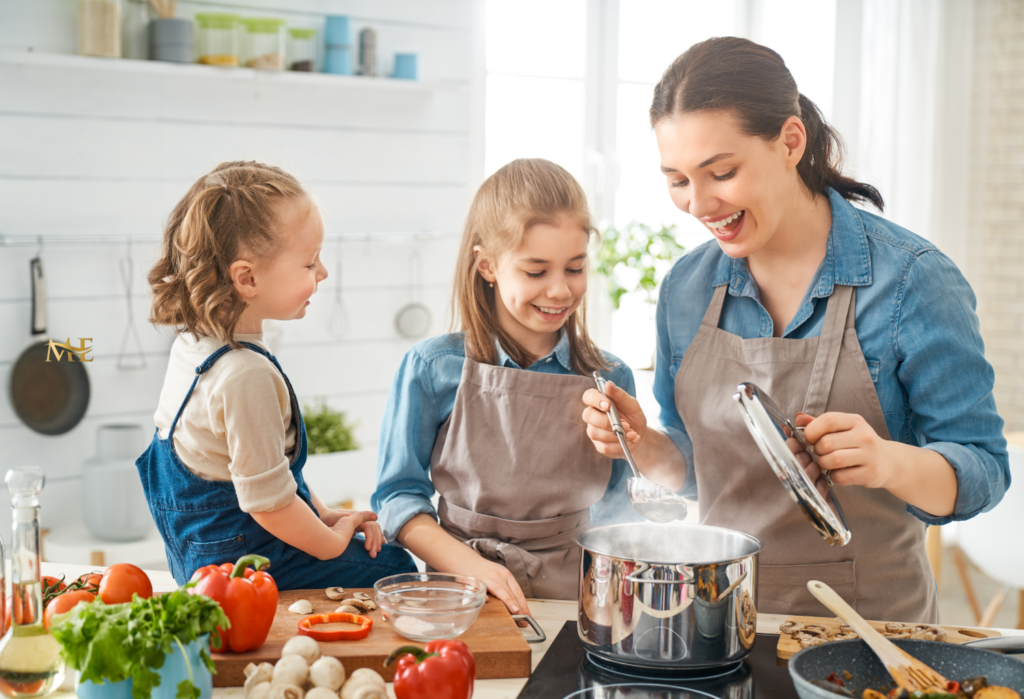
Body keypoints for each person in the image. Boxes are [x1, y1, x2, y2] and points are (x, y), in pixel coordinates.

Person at [582, 38, 1009, 622]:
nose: (698, 204)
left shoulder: (911, 280)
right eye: (677, 179)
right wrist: (647, 448)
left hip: (869, 633)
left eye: (722, 172)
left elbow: (984, 471)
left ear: (790, 141)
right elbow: (696, 468)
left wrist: (887, 462)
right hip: (719, 622)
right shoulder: (686, 288)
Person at [372, 159, 648, 616]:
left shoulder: (610, 377)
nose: (560, 291)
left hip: (577, 594)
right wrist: (469, 566)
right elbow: (396, 497)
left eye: (575, 268)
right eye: (536, 272)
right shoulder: (432, 368)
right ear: (488, 266)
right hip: (457, 591)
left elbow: (623, 506)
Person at [137, 161, 416, 589]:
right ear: (246, 278)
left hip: (197, 557)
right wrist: (332, 541)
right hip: (246, 566)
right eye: (309, 263)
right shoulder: (244, 374)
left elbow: (267, 471)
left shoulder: (192, 345)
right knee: (396, 568)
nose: (322, 273)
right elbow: (267, 505)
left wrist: (323, 515)